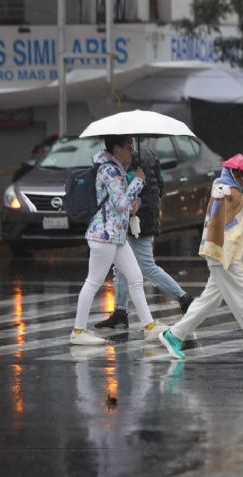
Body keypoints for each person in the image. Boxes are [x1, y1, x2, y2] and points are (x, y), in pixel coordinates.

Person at [158, 156, 243, 360]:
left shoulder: (224, 190)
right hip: (225, 255)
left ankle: (174, 335)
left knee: (210, 301)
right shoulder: (229, 193)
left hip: (220, 253)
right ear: (236, 174)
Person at [70, 135, 167, 346]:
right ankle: (78, 331)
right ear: (117, 150)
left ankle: (149, 326)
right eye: (128, 148)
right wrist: (138, 181)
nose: (131, 152)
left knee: (135, 278)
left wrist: (136, 200)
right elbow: (121, 203)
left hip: (116, 235)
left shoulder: (116, 169)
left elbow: (122, 203)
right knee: (93, 282)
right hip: (104, 236)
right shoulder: (108, 170)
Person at [95, 139, 194, 330]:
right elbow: (161, 183)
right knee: (123, 268)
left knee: (146, 266)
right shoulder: (149, 153)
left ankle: (184, 298)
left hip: (135, 218)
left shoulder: (127, 159)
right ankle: (120, 312)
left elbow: (125, 190)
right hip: (146, 215)